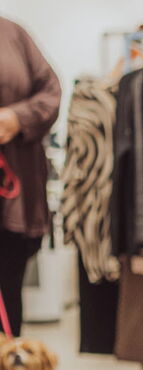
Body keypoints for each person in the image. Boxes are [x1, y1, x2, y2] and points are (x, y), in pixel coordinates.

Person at [0, 17, 61, 337]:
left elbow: (50, 92)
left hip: (14, 195)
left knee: (8, 290)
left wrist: (16, 118)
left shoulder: (12, 33)